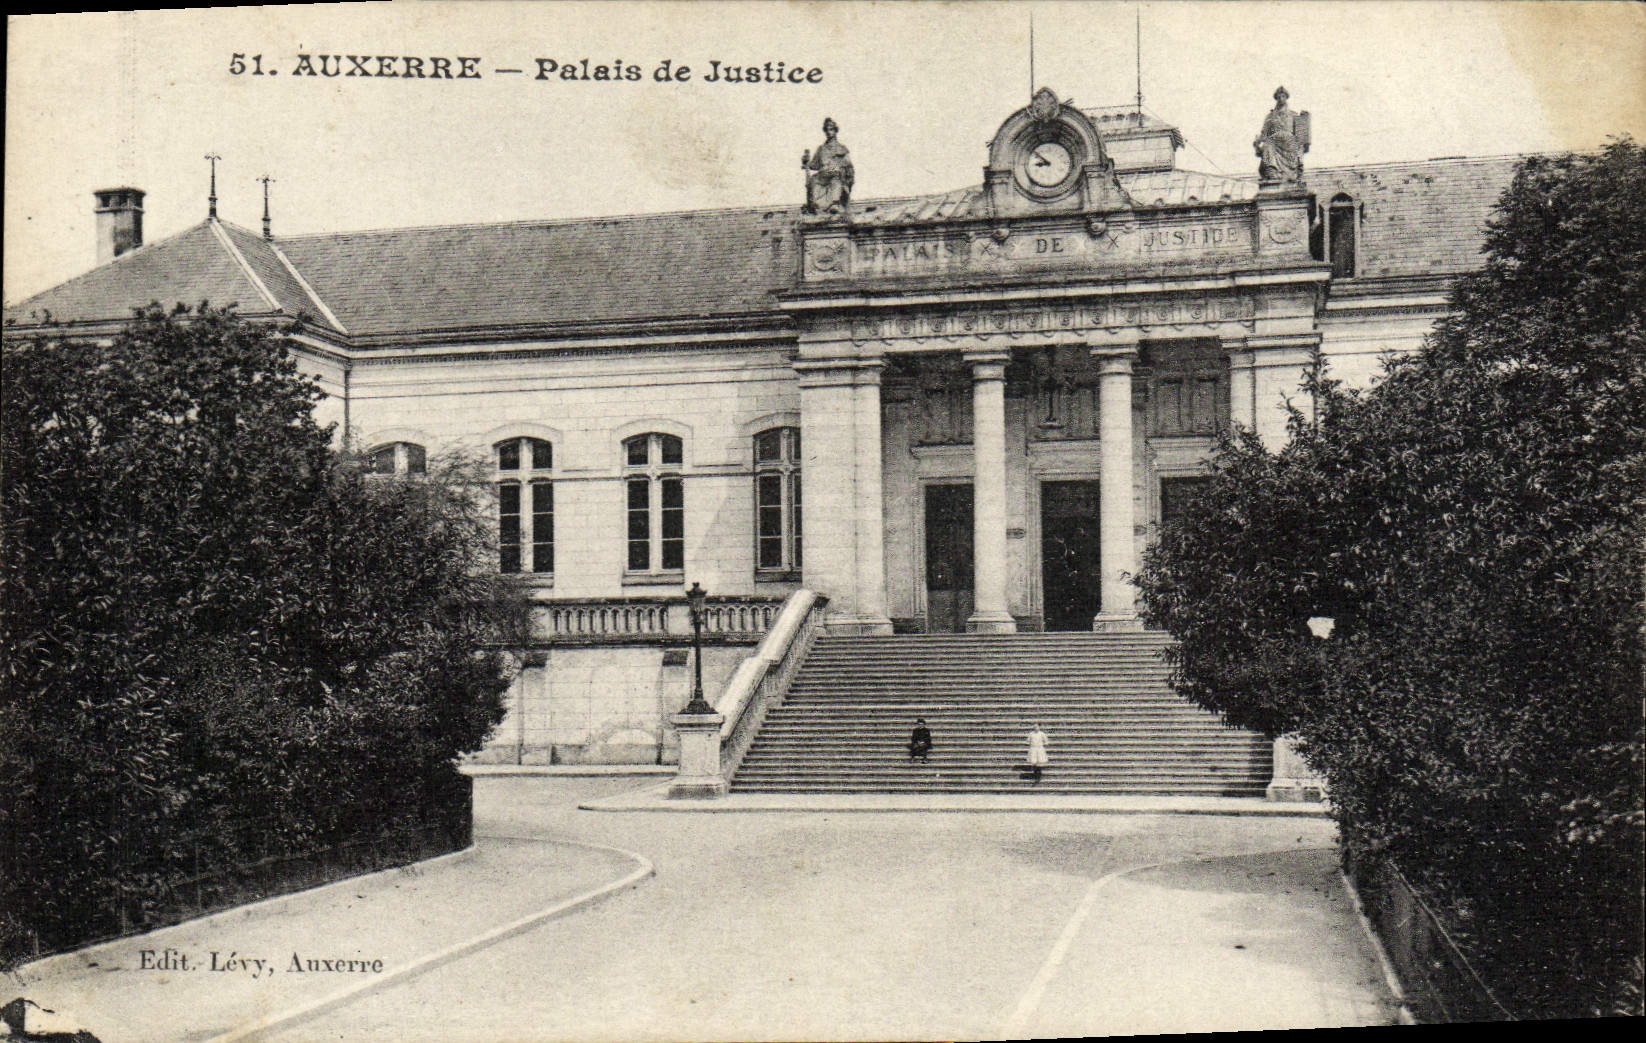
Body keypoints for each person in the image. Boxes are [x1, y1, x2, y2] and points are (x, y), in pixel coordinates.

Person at [1254, 86, 1308, 183]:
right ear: (1276, 99)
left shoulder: (1294, 115)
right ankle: (1272, 172)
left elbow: (1301, 136)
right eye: (1278, 97)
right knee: (1268, 144)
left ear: (1286, 98)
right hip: (1273, 141)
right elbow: (1264, 134)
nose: (1281, 99)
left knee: (1287, 143)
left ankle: (1291, 174)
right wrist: (1257, 142)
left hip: (1289, 141)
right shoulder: (1270, 117)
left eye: (1283, 96)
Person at [802, 117, 854, 214]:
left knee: (835, 176)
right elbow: (814, 165)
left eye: (831, 129)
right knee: (814, 180)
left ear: (835, 131)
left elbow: (849, 166)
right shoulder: (821, 149)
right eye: (826, 130)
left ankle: (834, 204)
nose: (828, 132)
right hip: (823, 175)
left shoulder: (841, 148)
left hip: (836, 173)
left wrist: (848, 181)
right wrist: (806, 163)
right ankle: (817, 207)